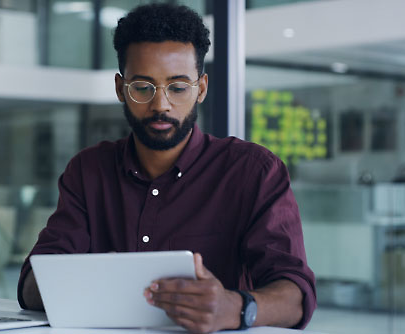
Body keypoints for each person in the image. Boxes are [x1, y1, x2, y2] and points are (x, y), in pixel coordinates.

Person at [17, 3, 316, 333]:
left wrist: (236, 307)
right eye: (143, 87)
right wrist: (95, 279)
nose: (161, 105)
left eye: (177, 87)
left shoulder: (254, 172)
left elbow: (296, 294)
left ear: (200, 88)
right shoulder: (88, 171)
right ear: (121, 89)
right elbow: (33, 283)